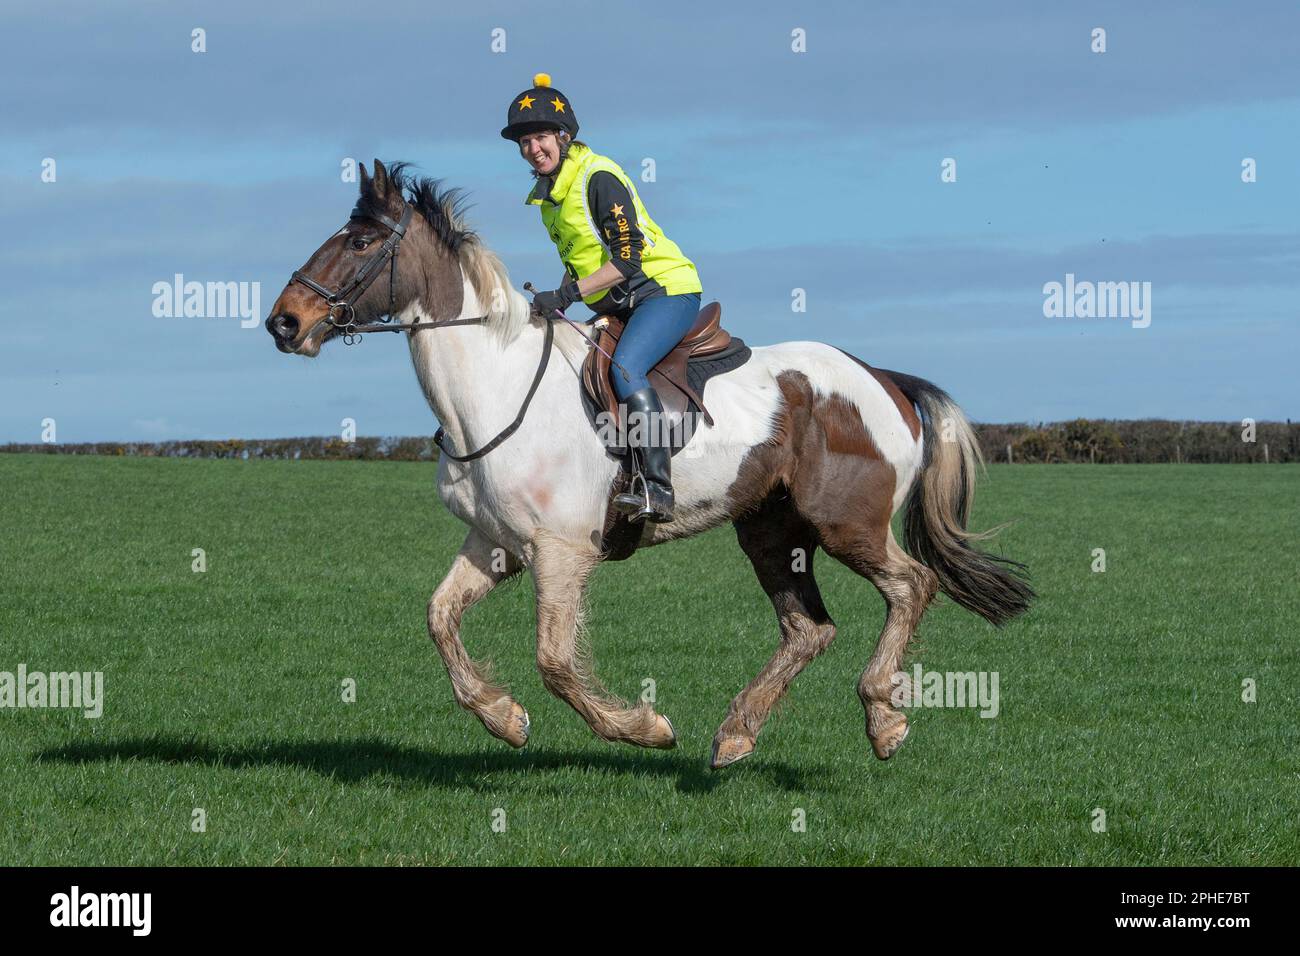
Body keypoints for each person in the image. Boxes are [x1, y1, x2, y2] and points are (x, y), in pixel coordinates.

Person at [501, 73, 702, 524]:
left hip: (663, 290)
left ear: (564, 136)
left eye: (541, 137)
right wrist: (558, 300)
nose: (533, 148)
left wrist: (568, 293)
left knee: (626, 369)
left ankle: (657, 487)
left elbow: (628, 261)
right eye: (525, 141)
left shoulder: (599, 177)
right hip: (616, 303)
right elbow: (583, 258)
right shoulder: (550, 196)